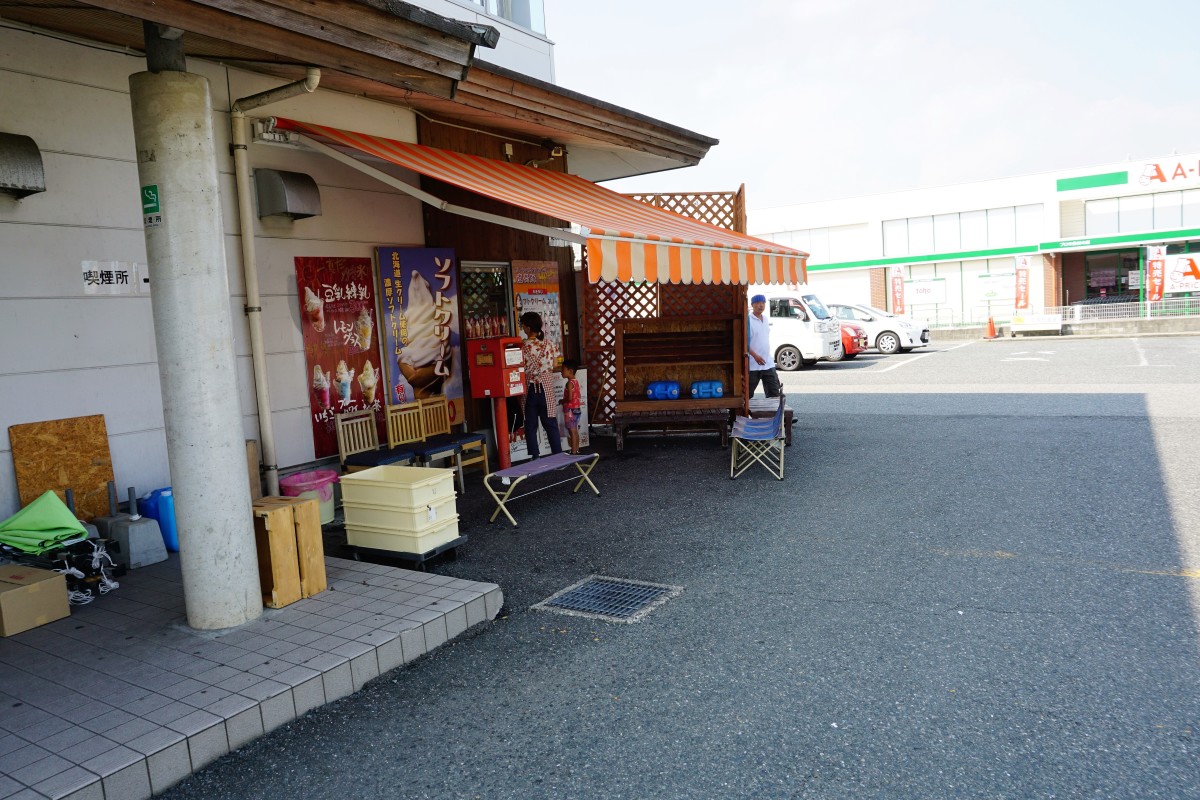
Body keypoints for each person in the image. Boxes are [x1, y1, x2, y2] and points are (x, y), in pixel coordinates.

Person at [518, 311, 563, 459]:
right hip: (546, 388)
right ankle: (558, 456)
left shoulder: (522, 346)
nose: (523, 328)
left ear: (528, 327)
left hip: (529, 389)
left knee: (530, 425)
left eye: (523, 326)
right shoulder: (549, 344)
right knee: (550, 424)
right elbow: (555, 364)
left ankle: (535, 457)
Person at [747, 294, 781, 398]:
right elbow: (744, 342)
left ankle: (774, 409)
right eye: (758, 303)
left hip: (767, 362)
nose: (761, 305)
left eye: (763, 303)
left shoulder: (765, 319)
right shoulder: (748, 320)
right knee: (747, 394)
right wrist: (755, 356)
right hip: (753, 364)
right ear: (752, 305)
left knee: (774, 392)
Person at [560, 358, 583, 455]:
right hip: (577, 409)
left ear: (570, 371)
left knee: (572, 431)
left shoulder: (569, 383)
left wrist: (562, 401)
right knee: (575, 430)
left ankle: (573, 452)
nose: (561, 372)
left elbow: (569, 398)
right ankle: (576, 449)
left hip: (570, 410)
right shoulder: (576, 382)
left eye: (563, 370)